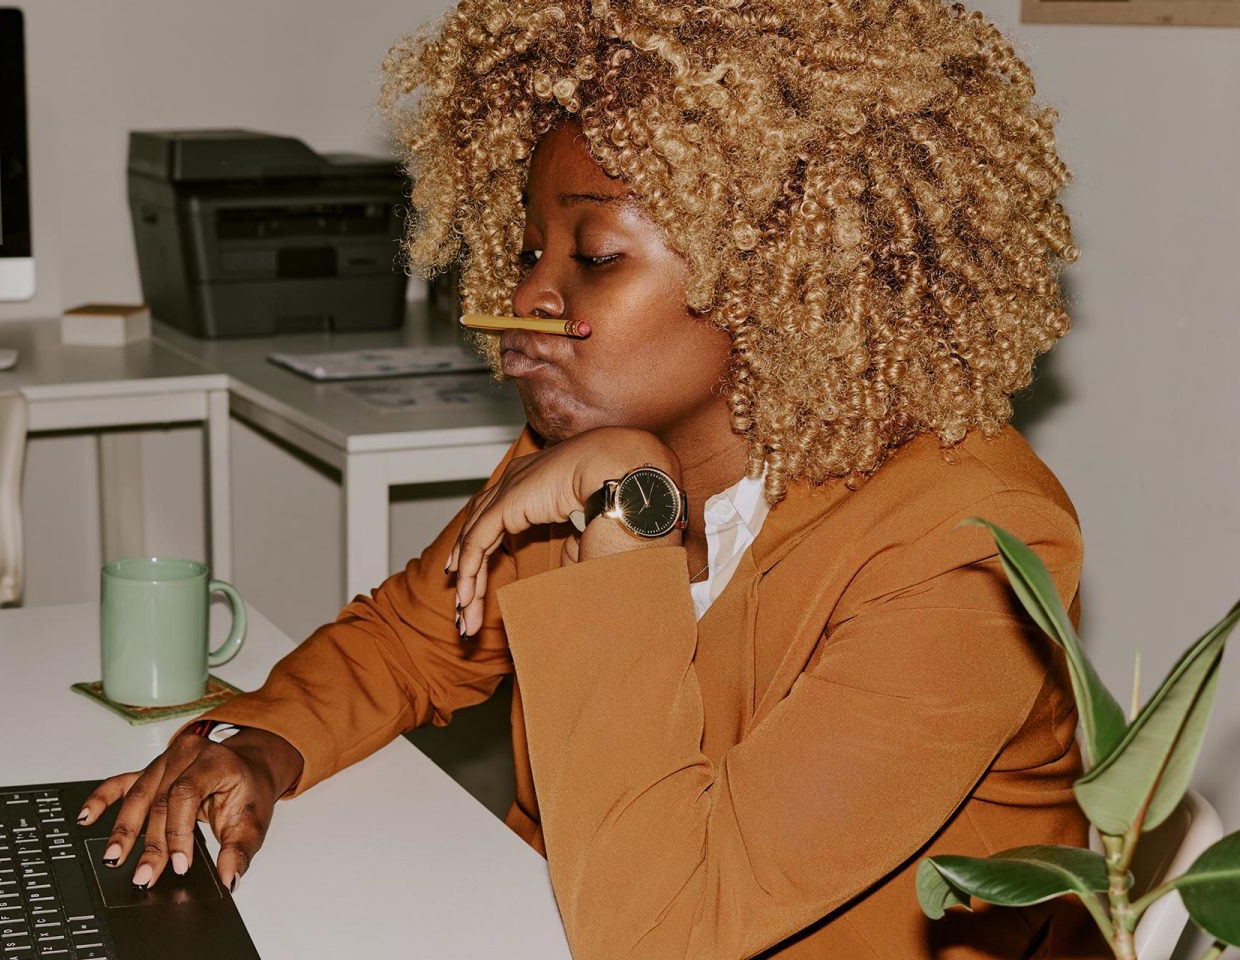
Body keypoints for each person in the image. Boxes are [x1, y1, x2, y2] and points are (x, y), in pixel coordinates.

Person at [84, 1, 1104, 956]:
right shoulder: (582, 462)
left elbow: (662, 929)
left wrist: (624, 514)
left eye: (597, 254)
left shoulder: (965, 543)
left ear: (782, 269)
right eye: (530, 248)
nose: (525, 292)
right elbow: (410, 642)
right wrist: (260, 742)